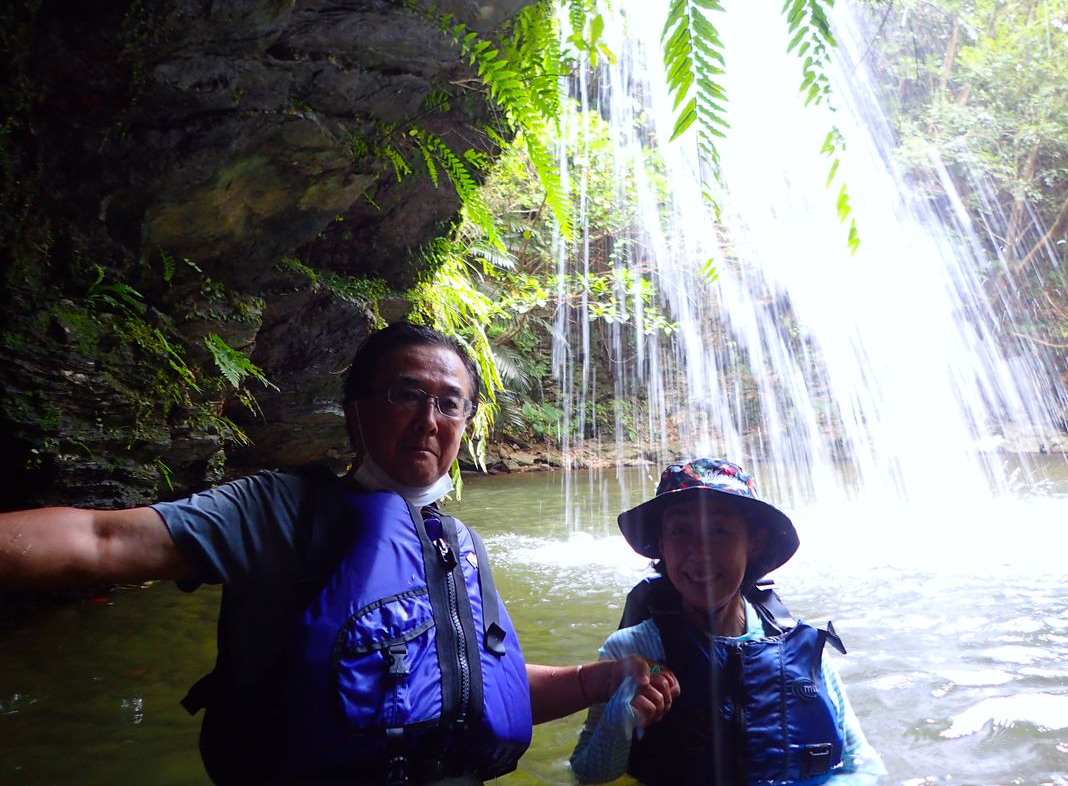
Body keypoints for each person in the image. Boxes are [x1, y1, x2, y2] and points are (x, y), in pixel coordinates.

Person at [0, 322, 676, 784]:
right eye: (405, 394)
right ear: (355, 412)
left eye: (450, 404)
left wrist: (594, 682)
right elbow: (101, 540)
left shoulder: (456, 546)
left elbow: (466, 683)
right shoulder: (280, 510)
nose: (429, 419)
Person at [570, 457, 885, 785]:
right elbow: (587, 773)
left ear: (754, 543)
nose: (699, 552)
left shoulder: (802, 649)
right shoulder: (630, 651)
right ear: (662, 544)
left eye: (719, 530)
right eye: (680, 531)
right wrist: (618, 721)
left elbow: (862, 764)